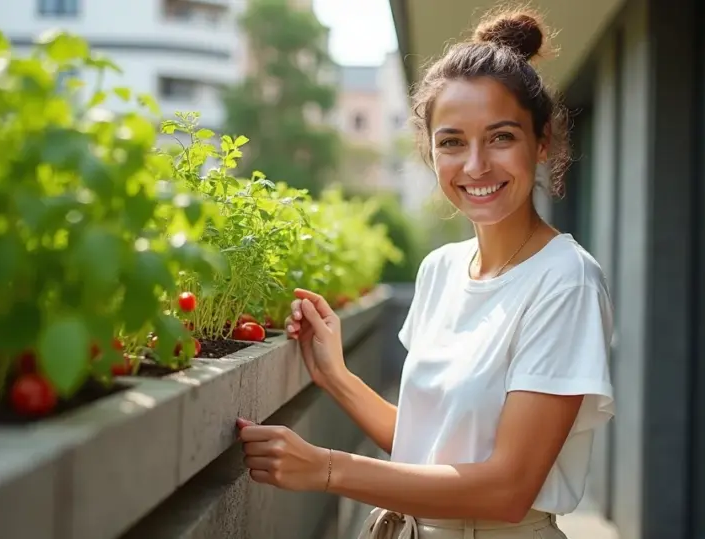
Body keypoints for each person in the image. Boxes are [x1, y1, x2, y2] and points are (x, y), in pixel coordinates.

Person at [235, 9, 615, 539]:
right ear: (429, 150)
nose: (476, 166)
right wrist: (336, 378)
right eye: (452, 142)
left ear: (542, 141)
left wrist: (327, 469)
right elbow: (429, 445)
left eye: (501, 137)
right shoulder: (441, 270)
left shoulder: (566, 280)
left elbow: (508, 490)